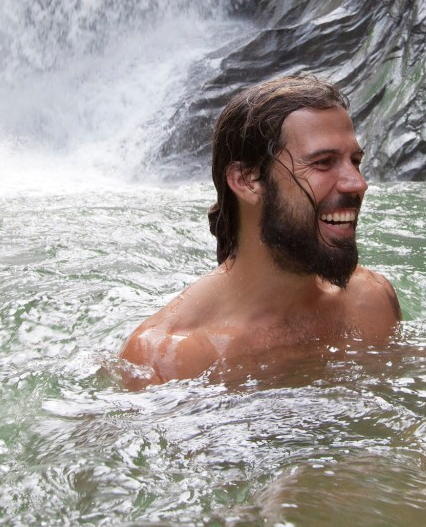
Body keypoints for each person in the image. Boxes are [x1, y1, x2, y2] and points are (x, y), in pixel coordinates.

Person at [119, 74, 402, 388]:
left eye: (355, 161)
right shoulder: (170, 358)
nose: (358, 183)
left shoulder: (371, 302)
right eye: (323, 163)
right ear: (247, 181)